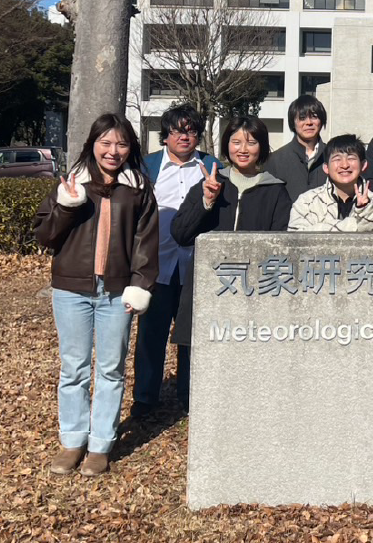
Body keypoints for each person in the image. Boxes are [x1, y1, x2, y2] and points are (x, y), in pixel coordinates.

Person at [33, 113, 159, 477]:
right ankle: (73, 441)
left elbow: (146, 242)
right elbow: (44, 236)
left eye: (121, 144)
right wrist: (66, 206)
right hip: (71, 288)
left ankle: (101, 444)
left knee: (111, 369)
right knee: (74, 368)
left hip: (117, 292)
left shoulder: (137, 188)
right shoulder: (74, 182)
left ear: (130, 148)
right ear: (93, 144)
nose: (113, 151)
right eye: (106, 143)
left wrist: (141, 284)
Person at [169, 114, 291, 390]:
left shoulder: (275, 190)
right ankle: (191, 406)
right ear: (226, 146)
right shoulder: (212, 183)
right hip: (208, 288)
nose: (243, 149)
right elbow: (180, 233)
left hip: (252, 292)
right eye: (236, 142)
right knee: (199, 362)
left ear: (262, 147)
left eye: (251, 142)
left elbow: (281, 246)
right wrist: (207, 201)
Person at [131, 104, 220, 419]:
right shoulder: (148, 167)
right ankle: (145, 397)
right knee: (150, 334)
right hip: (157, 265)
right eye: (178, 131)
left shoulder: (211, 166)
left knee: (191, 335)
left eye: (191, 130)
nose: (185, 136)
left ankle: (189, 396)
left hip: (196, 267)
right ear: (165, 135)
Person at [288, 134, 373, 232]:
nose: (344, 165)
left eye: (351, 158)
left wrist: (367, 211)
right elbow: (295, 239)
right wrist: (354, 226)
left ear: (363, 165)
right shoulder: (306, 202)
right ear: (326, 168)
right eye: (337, 159)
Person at [270, 94, 328, 198]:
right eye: (302, 118)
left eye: (314, 117)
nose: (309, 122)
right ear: (293, 123)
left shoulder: (332, 156)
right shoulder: (275, 160)